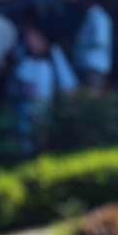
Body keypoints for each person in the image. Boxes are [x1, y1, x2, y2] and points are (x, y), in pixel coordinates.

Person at [10, 23, 77, 154]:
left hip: (46, 111)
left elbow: (68, 85)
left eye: (36, 38)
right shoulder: (22, 63)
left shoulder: (51, 61)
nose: (33, 42)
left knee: (41, 140)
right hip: (23, 113)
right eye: (29, 39)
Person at [73, 0, 113, 90]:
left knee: (93, 94)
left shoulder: (99, 17)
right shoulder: (90, 15)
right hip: (86, 64)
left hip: (94, 65)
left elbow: (100, 40)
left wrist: (81, 41)